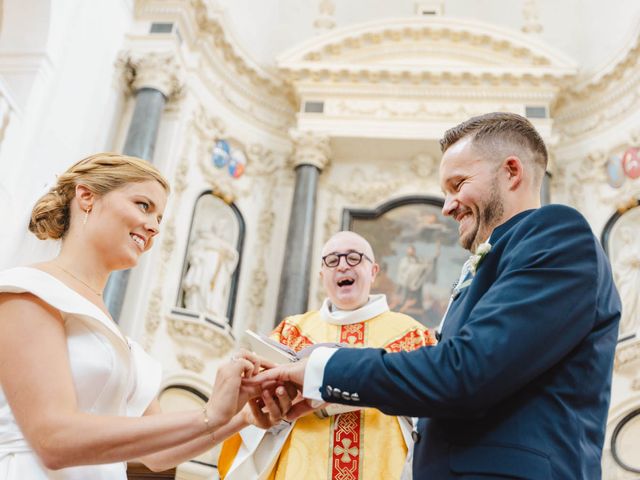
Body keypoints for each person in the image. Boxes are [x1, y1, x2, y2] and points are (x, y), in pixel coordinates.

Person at [248, 113, 622, 479]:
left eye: (458, 184)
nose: (447, 206)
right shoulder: (495, 260)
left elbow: (464, 373)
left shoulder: (556, 235)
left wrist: (324, 369)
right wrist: (324, 383)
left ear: (511, 171)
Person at [0, 153, 289, 479]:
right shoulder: (29, 292)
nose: (153, 227)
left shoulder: (117, 335)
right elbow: (53, 439)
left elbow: (158, 454)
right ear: (87, 197)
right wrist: (209, 414)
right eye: (143, 205)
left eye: (160, 219)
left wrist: (241, 415)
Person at [218, 231, 435, 480]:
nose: (342, 265)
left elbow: (433, 413)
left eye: (354, 258)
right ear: (322, 275)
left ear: (373, 271)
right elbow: (257, 413)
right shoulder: (292, 332)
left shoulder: (412, 334)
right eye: (332, 260)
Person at [182, 222, 239, 319]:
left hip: (217, 270)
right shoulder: (206, 238)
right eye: (218, 227)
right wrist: (197, 257)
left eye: (222, 229)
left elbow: (233, 256)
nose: (220, 231)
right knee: (201, 286)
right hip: (205, 266)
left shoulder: (224, 245)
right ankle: (195, 307)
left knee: (214, 289)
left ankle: (210, 310)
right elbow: (195, 249)